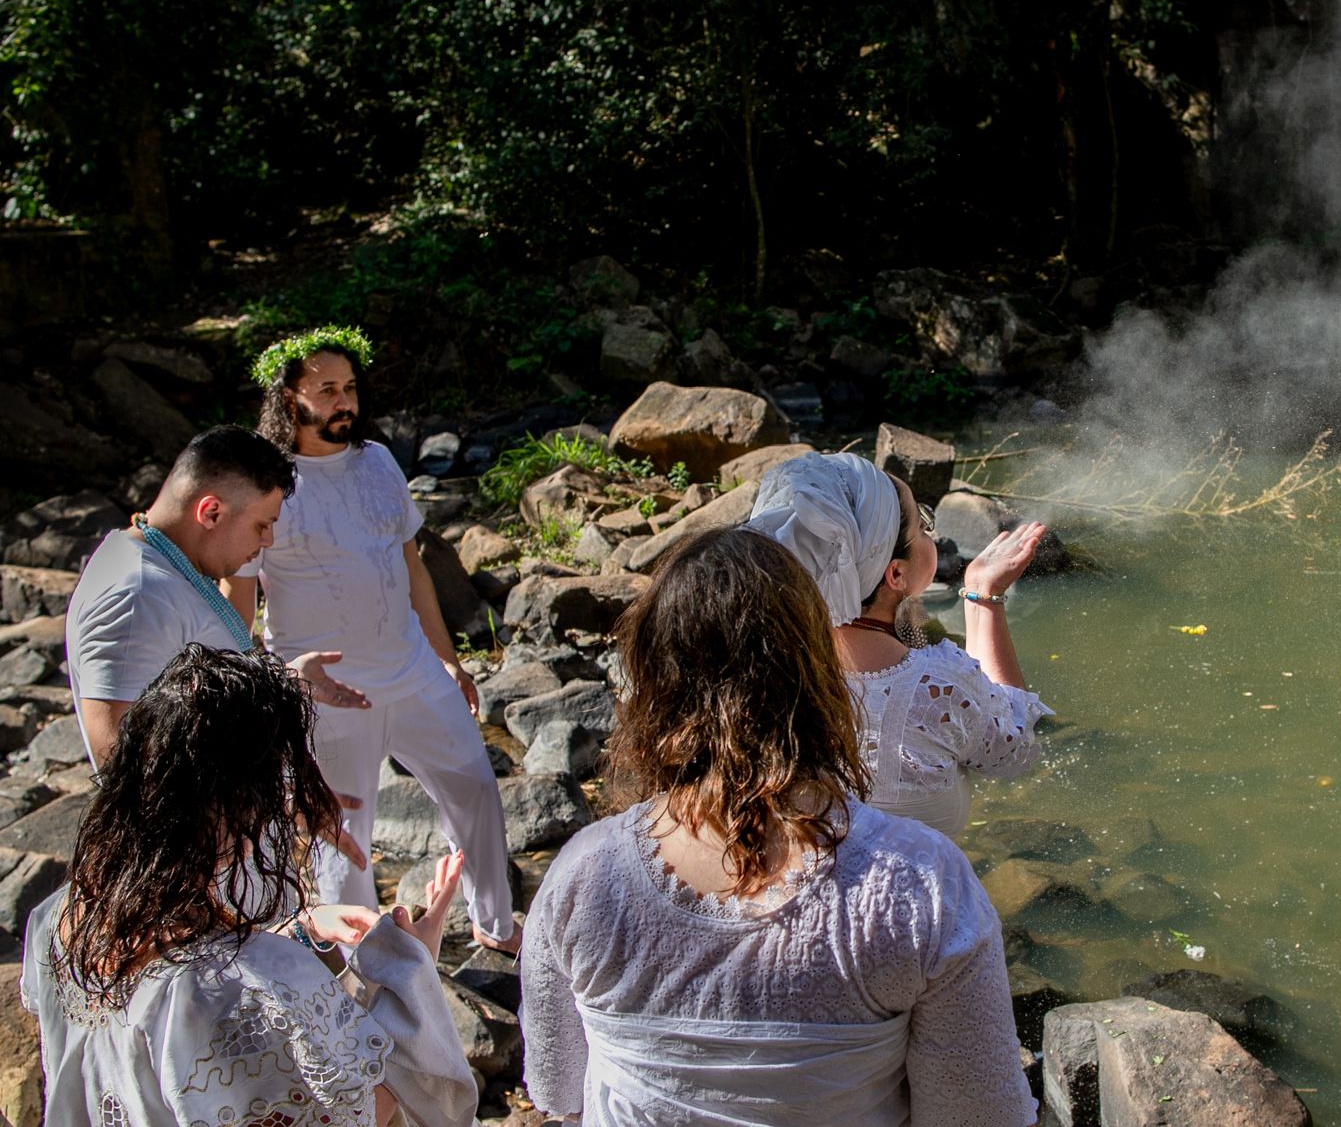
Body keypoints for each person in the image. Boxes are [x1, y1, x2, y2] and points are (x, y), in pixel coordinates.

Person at [520, 527, 1035, 1127]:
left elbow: (560, 1090)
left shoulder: (584, 877)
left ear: (652, 681)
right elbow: (979, 1114)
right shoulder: (918, 885)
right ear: (818, 671)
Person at [21, 644, 478, 1127]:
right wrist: (409, 968)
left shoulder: (59, 917)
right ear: (246, 808)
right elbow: (354, 1112)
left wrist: (299, 929)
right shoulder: (239, 986)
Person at [223, 325, 520, 952]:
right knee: (344, 841)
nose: (345, 402)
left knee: (475, 786)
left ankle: (493, 925)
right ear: (289, 399)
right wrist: (258, 695)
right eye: (328, 390)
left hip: (413, 670)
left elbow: (412, 567)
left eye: (351, 388)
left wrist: (447, 659)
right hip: (326, 693)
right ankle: (361, 963)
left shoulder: (379, 461)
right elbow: (238, 599)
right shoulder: (265, 483)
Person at [63, 423, 371, 829]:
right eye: (262, 524)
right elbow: (124, 765)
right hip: (199, 859)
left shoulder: (171, 572)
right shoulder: (136, 593)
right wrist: (268, 808)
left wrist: (283, 683)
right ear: (211, 512)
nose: (268, 541)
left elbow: (191, 698)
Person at [746, 452, 1052, 837]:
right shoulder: (939, 687)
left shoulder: (752, 673)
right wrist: (983, 595)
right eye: (922, 527)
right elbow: (1013, 752)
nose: (931, 535)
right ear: (895, 573)